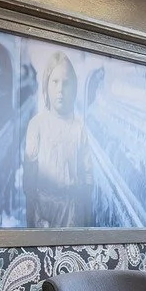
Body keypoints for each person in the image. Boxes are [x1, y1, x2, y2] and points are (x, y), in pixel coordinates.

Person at [21, 52, 93, 227]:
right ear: (46, 85)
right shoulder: (37, 125)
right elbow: (29, 181)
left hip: (73, 213)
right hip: (43, 212)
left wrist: (83, 217)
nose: (61, 89)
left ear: (74, 88)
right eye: (55, 82)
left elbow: (88, 177)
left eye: (66, 83)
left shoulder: (79, 129)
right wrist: (36, 218)